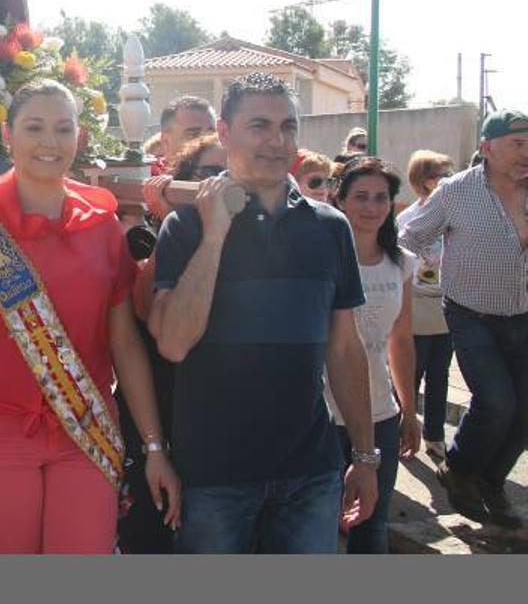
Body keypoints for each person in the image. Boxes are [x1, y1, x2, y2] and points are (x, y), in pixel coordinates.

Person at [0, 79, 181, 554]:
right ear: (7, 134)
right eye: (34, 127)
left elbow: (124, 343)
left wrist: (154, 446)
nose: (50, 142)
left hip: (85, 427)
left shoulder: (102, 226)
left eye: (63, 129)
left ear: (79, 136)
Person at [150, 72, 377, 554]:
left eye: (288, 126)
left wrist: (364, 456)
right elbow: (173, 343)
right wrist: (215, 235)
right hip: (214, 476)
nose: (277, 141)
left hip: (311, 473)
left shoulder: (330, 227)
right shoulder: (186, 226)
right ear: (225, 132)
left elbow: (344, 349)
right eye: (260, 126)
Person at [399, 109, 528, 528]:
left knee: (524, 411)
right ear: (487, 148)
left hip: (523, 313)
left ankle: (490, 483)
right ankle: (458, 468)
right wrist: (403, 280)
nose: (526, 153)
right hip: (471, 313)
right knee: (496, 401)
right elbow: (409, 236)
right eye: (518, 144)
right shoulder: (456, 191)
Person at [118, 133, 224, 554]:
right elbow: (144, 309)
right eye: (210, 174)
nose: (220, 185)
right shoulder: (170, 230)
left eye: (230, 174)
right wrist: (171, 224)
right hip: (163, 409)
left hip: (220, 431)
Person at [328, 157, 419, 553]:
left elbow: (401, 340)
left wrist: (409, 410)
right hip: (323, 415)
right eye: (361, 196)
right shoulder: (322, 260)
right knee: (321, 523)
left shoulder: (402, 263)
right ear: (340, 200)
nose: (372, 206)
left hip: (381, 412)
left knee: (372, 523)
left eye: (381, 197)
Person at [397, 150, 455, 461]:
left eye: (449, 174)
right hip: (416, 307)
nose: (448, 181)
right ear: (423, 180)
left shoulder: (454, 215)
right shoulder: (407, 219)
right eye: (441, 175)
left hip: (446, 306)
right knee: (411, 374)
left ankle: (435, 436)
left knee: (439, 374)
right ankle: (402, 432)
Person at [141, 96, 217, 220]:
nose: (205, 141)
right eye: (193, 134)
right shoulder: (145, 183)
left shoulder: (232, 177)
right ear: (166, 142)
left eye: (211, 133)